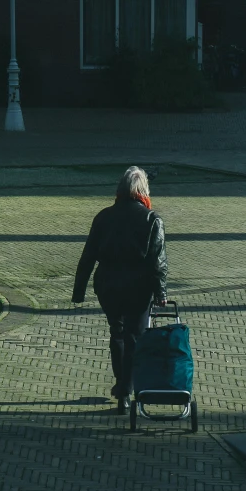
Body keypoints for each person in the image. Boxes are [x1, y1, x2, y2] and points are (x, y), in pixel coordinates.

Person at [72, 166, 168, 415]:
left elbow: (88, 255)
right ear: (144, 190)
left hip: (108, 284)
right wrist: (161, 293)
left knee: (117, 331)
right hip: (138, 285)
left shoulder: (103, 217)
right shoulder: (151, 219)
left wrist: (79, 290)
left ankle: (121, 385)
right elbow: (157, 262)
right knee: (134, 337)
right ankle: (127, 389)